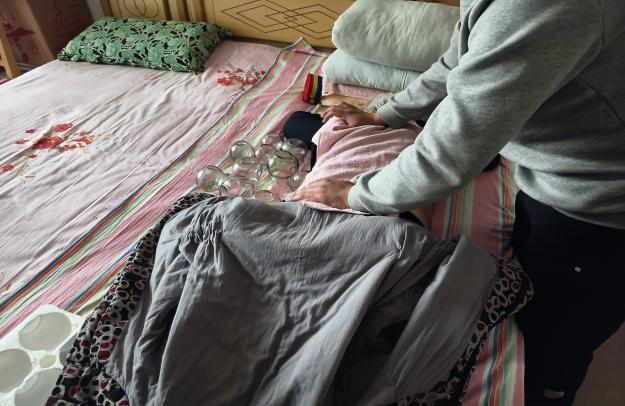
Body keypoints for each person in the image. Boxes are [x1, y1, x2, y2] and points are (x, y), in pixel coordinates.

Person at [289, 0, 625, 404]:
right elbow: (459, 59)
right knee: (530, 278)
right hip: (555, 177)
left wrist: (354, 194)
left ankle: (550, 390)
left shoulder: (539, 9)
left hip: (602, 206)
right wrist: (385, 114)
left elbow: (450, 152)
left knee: (558, 336)